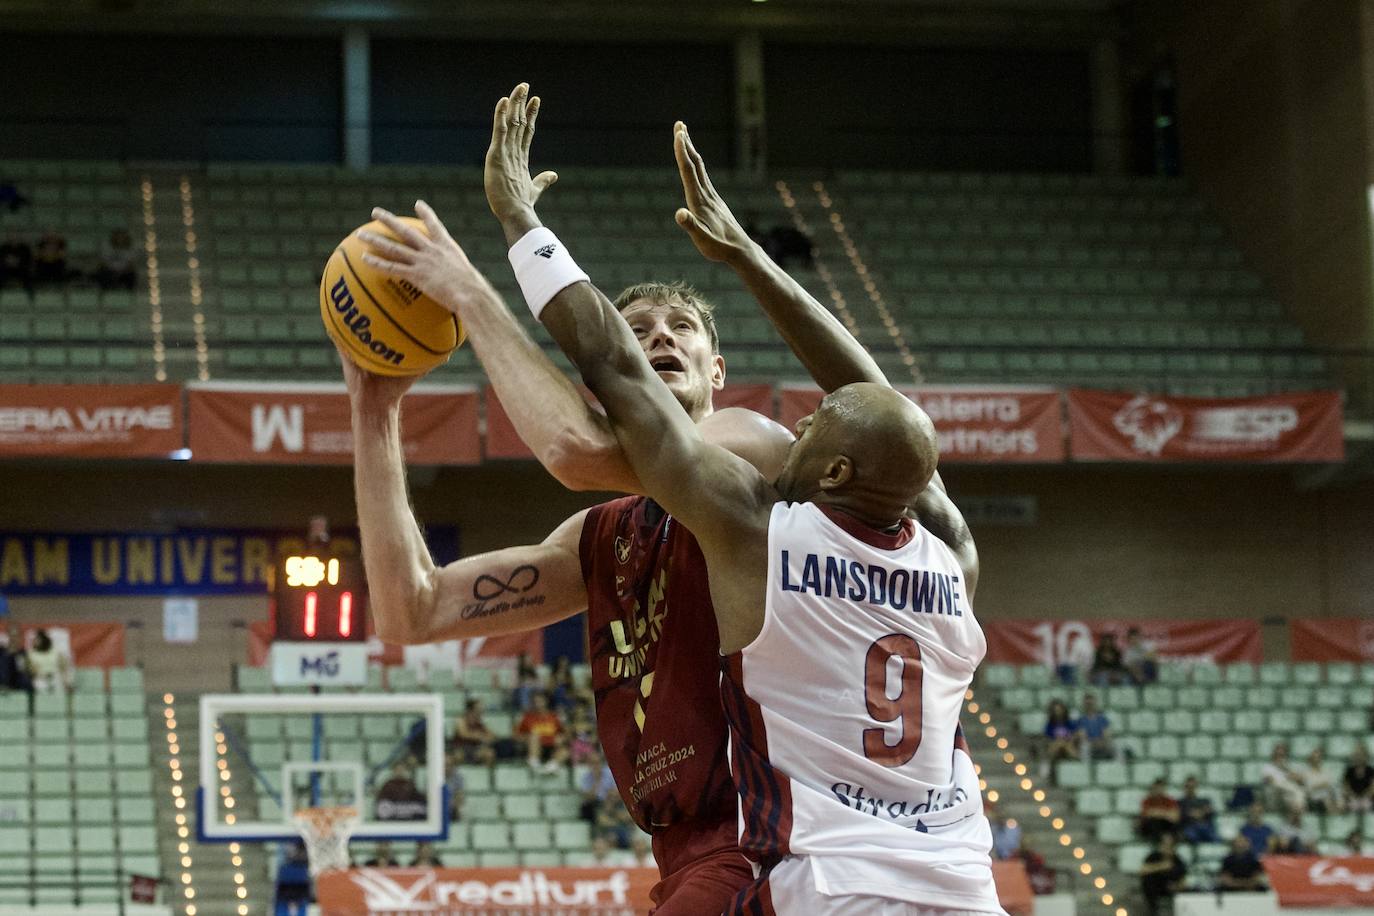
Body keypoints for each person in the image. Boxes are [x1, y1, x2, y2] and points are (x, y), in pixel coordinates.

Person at [346, 83, 978, 915]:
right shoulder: (601, 535)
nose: (657, 338)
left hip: (764, 837)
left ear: (718, 373)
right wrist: (374, 410)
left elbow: (577, 448)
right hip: (708, 850)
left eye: (682, 328)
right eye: (638, 326)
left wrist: (474, 289)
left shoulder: (754, 452)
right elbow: (411, 610)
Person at [514, 690, 568, 774]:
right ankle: (535, 765)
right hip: (534, 748)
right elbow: (517, 736)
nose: (537, 704)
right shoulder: (527, 717)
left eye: (540, 701)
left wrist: (561, 738)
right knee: (534, 736)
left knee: (565, 751)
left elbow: (565, 734)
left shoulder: (554, 716)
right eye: (535, 701)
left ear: (546, 701)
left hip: (552, 747)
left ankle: (549, 768)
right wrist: (528, 738)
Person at [1139, 832, 1187, 916]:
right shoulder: (1153, 857)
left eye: (1170, 845)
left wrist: (1176, 886)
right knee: (1148, 881)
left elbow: (1183, 880)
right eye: (1165, 844)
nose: (1167, 847)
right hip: (1154, 888)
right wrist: (1161, 866)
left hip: (1170, 888)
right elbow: (1143, 870)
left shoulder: (1178, 860)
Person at [1261, 743, 1306, 816]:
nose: (1280, 758)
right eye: (1278, 755)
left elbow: (1300, 780)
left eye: (1282, 755)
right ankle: (1298, 810)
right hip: (1274, 796)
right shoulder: (1267, 767)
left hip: (1286, 795)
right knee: (1294, 790)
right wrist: (1286, 782)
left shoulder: (1287, 767)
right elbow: (1270, 781)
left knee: (1298, 792)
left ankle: (1297, 811)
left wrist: (1286, 769)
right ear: (1274, 755)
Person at [451, 699, 498, 766]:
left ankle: (484, 775)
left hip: (475, 749)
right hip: (461, 748)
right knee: (458, 756)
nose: (481, 710)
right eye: (478, 708)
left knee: (489, 754)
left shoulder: (480, 723)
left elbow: (493, 736)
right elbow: (463, 734)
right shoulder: (461, 720)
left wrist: (487, 737)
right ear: (471, 710)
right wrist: (479, 736)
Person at [578, 748, 617, 824]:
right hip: (595, 805)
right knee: (590, 807)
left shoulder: (609, 773)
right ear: (589, 764)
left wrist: (610, 795)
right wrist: (596, 779)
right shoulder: (585, 778)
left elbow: (617, 792)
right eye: (593, 763)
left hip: (611, 802)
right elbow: (589, 797)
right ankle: (609, 823)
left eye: (598, 763)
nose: (596, 765)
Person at [26, 629, 71, 694]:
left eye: (37, 639)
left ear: (43, 640)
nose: (35, 641)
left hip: (55, 677)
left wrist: (66, 681)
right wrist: (35, 672)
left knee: (60, 686)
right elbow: (31, 670)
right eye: (34, 640)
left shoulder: (55, 651)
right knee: (38, 685)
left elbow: (64, 666)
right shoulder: (31, 653)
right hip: (41, 678)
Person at [273, 840, 311, 916]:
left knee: (285, 849)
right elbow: (306, 897)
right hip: (300, 879)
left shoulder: (280, 912)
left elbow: (277, 898)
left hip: (286, 879)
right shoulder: (302, 911)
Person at [1178, 776, 1219, 844]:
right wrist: (1199, 813)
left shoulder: (1204, 801)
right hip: (1189, 828)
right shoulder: (1181, 802)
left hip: (1205, 827)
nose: (1190, 789)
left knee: (1216, 838)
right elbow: (1180, 816)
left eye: (1192, 787)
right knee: (1192, 836)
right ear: (1184, 788)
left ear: (1196, 787)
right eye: (1188, 787)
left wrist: (1197, 813)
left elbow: (1212, 812)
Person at [1043, 699, 1079, 775]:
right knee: (1057, 744)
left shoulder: (1070, 723)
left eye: (1059, 710)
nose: (1058, 712)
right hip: (1055, 747)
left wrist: (1065, 741)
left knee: (1066, 745)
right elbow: (1048, 738)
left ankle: (1076, 767)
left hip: (1068, 745)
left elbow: (1074, 735)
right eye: (1055, 710)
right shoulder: (1050, 725)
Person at [1300, 748, 1340, 814]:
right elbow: (1308, 788)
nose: (1317, 759)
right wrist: (1322, 785)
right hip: (1314, 797)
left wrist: (1321, 785)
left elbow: (1330, 784)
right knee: (1327, 800)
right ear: (1311, 759)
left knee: (1337, 797)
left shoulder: (1325, 771)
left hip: (1327, 794)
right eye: (1315, 757)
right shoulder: (1306, 772)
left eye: (1318, 757)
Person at [1073, 693, 1114, 760]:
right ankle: (1085, 767)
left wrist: (1102, 742)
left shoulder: (1102, 719)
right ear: (1084, 705)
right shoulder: (1081, 720)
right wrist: (1094, 742)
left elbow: (1107, 734)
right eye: (1088, 704)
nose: (1090, 706)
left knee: (1115, 746)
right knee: (1084, 747)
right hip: (1089, 744)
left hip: (1102, 743)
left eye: (1091, 703)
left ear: (1095, 703)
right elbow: (1083, 737)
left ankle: (1120, 766)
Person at [0, 231, 33, 298]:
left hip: (20, 269)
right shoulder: (4, 247)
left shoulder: (25, 248)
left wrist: (17, 262)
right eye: (11, 236)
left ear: (19, 237)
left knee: (27, 274)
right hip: (7, 269)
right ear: (8, 237)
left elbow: (28, 260)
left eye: (15, 236)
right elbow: (1, 260)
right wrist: (8, 262)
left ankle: (30, 296)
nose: (13, 237)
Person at [1342, 746, 1374, 813]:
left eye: (1361, 755)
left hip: (1367, 798)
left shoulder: (1370, 770)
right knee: (1353, 805)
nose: (1359, 757)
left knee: (1366, 805)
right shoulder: (1349, 770)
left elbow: (1372, 787)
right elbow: (1346, 787)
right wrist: (1353, 797)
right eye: (1357, 755)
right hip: (1352, 798)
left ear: (1365, 756)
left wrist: (1365, 797)